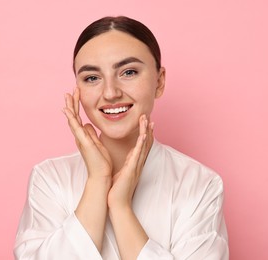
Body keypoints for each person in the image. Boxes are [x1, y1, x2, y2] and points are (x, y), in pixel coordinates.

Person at [14, 16, 229, 260]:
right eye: (92, 78)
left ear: (159, 81)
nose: (110, 93)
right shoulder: (50, 178)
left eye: (128, 72)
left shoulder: (200, 184)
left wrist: (120, 206)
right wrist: (98, 180)